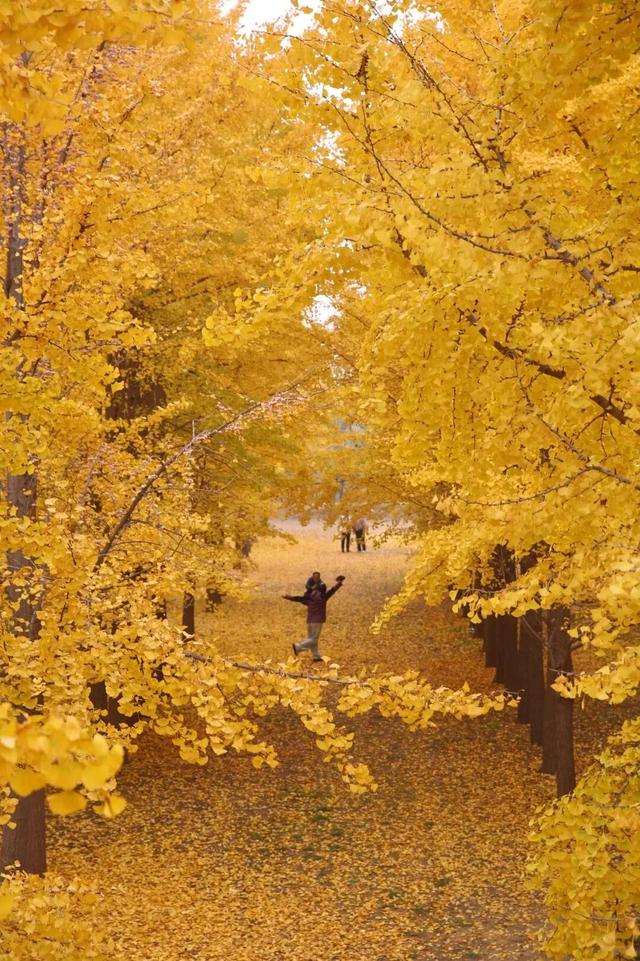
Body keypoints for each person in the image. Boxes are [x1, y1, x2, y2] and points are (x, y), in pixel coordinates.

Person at [283, 574, 345, 662]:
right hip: (318, 620)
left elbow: (298, 598)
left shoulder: (308, 597)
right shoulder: (323, 597)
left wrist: (288, 597)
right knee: (313, 639)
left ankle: (316, 656)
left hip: (310, 620)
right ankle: (298, 647)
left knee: (312, 638)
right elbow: (332, 591)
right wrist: (339, 583)